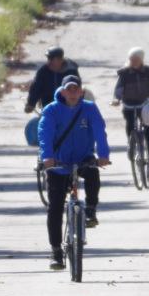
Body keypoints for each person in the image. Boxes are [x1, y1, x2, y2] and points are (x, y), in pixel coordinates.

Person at [38, 75, 110, 269]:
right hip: (58, 163)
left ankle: (91, 210)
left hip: (82, 157)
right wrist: (47, 157)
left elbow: (100, 131)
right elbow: (44, 134)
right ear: (62, 92)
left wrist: (103, 155)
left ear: (81, 91)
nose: (72, 93)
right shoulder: (51, 110)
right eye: (68, 89)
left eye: (75, 89)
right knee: (55, 208)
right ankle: (56, 252)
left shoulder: (89, 108)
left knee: (93, 173)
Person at [112, 47, 149, 179]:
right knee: (130, 125)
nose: (133, 61)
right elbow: (119, 88)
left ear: (141, 60)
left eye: (136, 59)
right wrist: (117, 99)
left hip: (146, 105)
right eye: (131, 59)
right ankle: (132, 144)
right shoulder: (124, 73)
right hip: (129, 104)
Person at [25, 47, 80, 114]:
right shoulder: (43, 71)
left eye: (51, 59)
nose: (49, 62)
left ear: (60, 60)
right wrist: (31, 103)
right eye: (48, 59)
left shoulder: (71, 71)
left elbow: (77, 90)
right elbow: (36, 88)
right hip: (48, 106)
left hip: (68, 107)